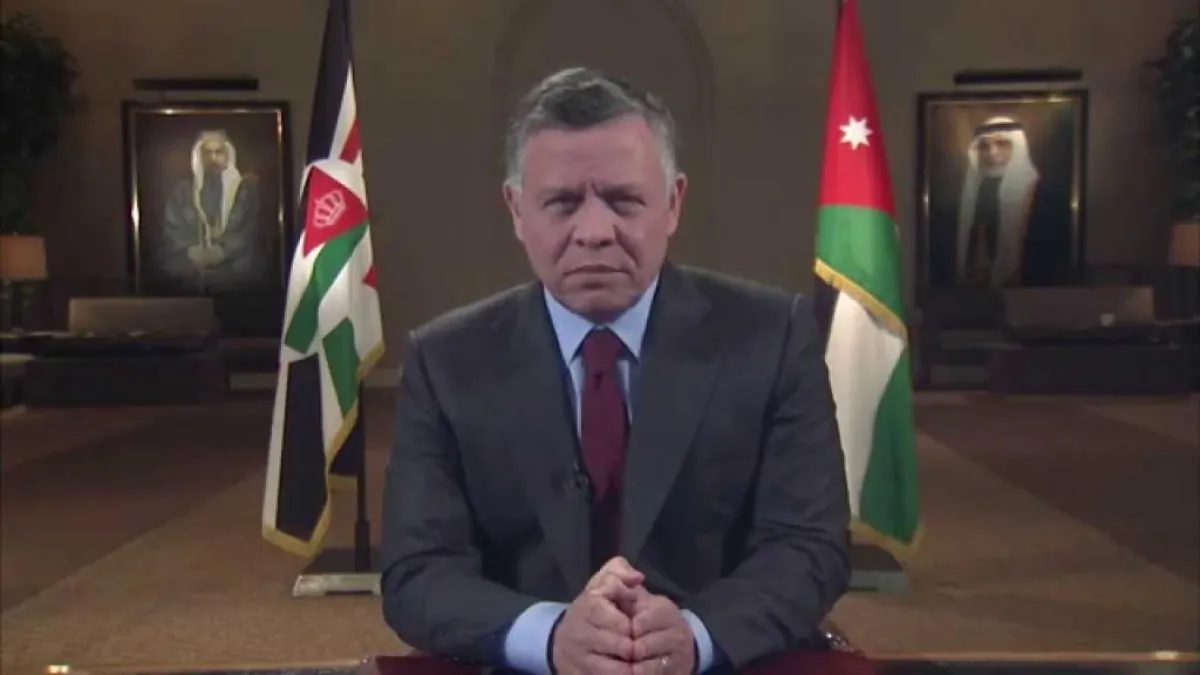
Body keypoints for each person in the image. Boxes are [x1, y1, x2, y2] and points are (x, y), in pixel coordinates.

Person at [380, 67, 851, 675]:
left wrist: (696, 635)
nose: (595, 233)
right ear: (517, 210)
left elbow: (809, 545)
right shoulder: (445, 360)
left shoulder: (772, 335)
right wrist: (551, 636)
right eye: (562, 203)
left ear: (674, 202)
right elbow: (417, 573)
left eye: (624, 201)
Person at [157, 130, 264, 293]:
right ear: (199, 156)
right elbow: (173, 227)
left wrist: (223, 251)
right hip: (192, 269)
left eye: (218, 152)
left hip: (235, 267)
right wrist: (190, 251)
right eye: (207, 153)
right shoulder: (183, 191)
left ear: (227, 155)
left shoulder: (245, 191)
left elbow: (250, 229)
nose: (213, 158)